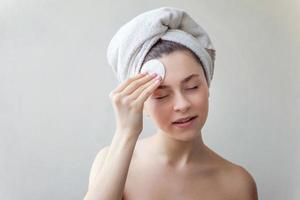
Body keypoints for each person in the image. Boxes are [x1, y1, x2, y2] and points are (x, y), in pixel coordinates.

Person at [84, 7, 258, 200]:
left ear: (207, 86)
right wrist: (126, 133)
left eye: (192, 87)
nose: (182, 105)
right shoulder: (111, 162)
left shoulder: (238, 183)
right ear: (142, 103)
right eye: (160, 95)